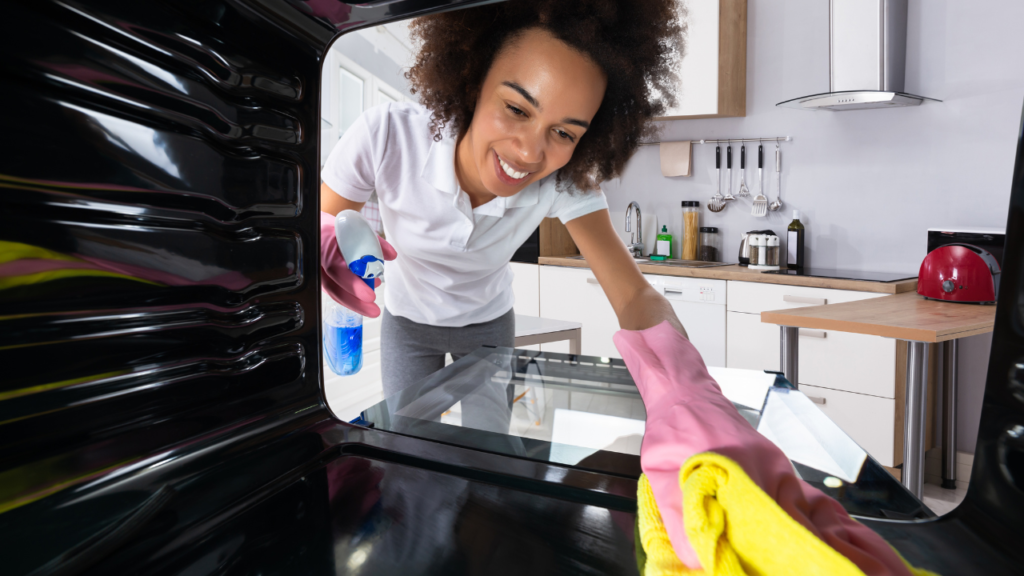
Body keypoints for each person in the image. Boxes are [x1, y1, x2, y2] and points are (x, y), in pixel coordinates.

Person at [320, 0, 686, 396]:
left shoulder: (563, 182)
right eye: (516, 108)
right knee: (407, 440)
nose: (529, 153)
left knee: (491, 444)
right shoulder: (387, 135)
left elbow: (633, 294)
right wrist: (322, 244)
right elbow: (326, 223)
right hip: (406, 321)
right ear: (474, 81)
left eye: (564, 133)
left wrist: (687, 381)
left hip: (488, 326)